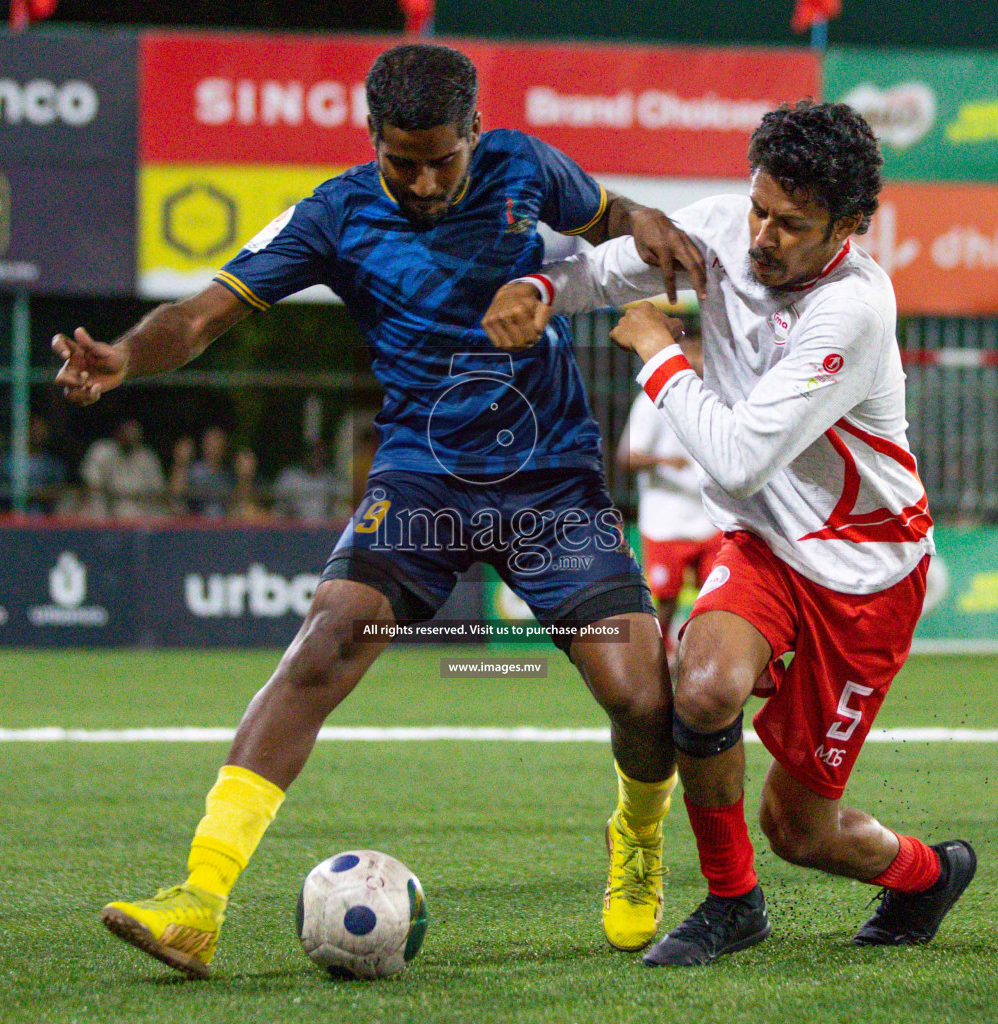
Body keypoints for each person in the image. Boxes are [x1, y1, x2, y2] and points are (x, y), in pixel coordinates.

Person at [53, 43, 708, 976]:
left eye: (445, 157)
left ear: (475, 133)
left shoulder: (526, 165)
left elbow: (612, 213)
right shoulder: (334, 213)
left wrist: (648, 221)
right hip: (422, 480)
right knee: (325, 640)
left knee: (641, 697)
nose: (428, 179)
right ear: (374, 141)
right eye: (405, 161)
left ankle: (637, 843)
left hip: (549, 478)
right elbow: (201, 316)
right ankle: (198, 898)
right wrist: (124, 357)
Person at [484, 100, 974, 966]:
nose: (763, 236)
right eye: (759, 208)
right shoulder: (717, 232)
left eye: (793, 224)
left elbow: (739, 457)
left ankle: (928, 874)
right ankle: (732, 904)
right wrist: (538, 291)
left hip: (865, 577)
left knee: (800, 830)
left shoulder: (853, 310)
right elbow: (599, 272)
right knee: (700, 686)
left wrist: (655, 351)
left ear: (850, 228)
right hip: (763, 549)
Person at [616, 340, 722, 660]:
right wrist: (664, 461)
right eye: (694, 351)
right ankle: (659, 660)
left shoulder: (715, 398)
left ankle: (703, 657)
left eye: (704, 352)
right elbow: (626, 456)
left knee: (718, 597)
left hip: (709, 518)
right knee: (666, 599)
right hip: (665, 521)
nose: (700, 359)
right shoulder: (651, 401)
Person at [79, 418, 166, 520]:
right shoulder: (102, 450)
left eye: (134, 434)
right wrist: (114, 494)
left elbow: (158, 490)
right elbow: (91, 484)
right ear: (118, 433)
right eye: (127, 433)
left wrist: (134, 496)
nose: (130, 437)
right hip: (105, 505)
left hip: (139, 508)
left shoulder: (147, 456)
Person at [170, 425, 237, 518]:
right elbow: (176, 496)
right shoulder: (194, 471)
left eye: (217, 445)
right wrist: (181, 463)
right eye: (210, 445)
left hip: (223, 525)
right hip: (196, 524)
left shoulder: (228, 475)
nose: (213, 449)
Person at [271, 444, 346, 523]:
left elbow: (340, 503)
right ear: (305, 457)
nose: (315, 459)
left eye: (319, 456)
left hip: (324, 527)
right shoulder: (290, 477)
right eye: (312, 456)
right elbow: (279, 506)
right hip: (294, 526)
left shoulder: (330, 479)